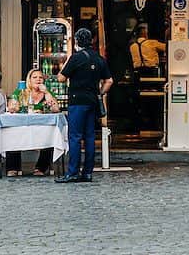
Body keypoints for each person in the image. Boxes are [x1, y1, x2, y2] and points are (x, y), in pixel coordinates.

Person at [55, 28, 112, 184]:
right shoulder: (99, 59)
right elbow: (109, 81)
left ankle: (73, 172)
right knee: (89, 137)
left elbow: (61, 78)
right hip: (92, 101)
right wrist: (100, 93)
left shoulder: (75, 58)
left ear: (76, 41)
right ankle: (87, 172)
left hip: (77, 101)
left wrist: (67, 61)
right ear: (91, 41)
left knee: (74, 137)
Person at [6, 68, 60, 177]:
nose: (38, 79)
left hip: (41, 127)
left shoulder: (47, 92)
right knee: (12, 134)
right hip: (22, 126)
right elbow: (12, 106)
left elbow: (56, 109)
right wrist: (13, 106)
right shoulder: (22, 91)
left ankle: (41, 168)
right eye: (34, 77)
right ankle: (13, 167)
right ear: (29, 80)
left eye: (40, 77)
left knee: (49, 136)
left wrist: (46, 92)